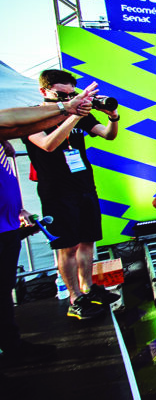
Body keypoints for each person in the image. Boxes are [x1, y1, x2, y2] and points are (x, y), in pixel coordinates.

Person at [0, 89, 96, 358]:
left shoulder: (8, 137)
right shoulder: (16, 122)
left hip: (8, 224)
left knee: (4, 290)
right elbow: (16, 119)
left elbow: (23, 123)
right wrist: (67, 109)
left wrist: (18, 209)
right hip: (49, 199)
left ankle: (12, 343)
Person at [23, 70, 121, 320]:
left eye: (72, 94)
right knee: (67, 246)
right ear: (44, 91)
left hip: (84, 185)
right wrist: (72, 114)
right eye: (61, 94)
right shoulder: (33, 117)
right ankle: (74, 298)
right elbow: (49, 144)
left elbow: (108, 135)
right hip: (56, 190)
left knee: (87, 241)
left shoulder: (81, 116)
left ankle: (88, 289)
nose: (68, 98)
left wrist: (113, 117)